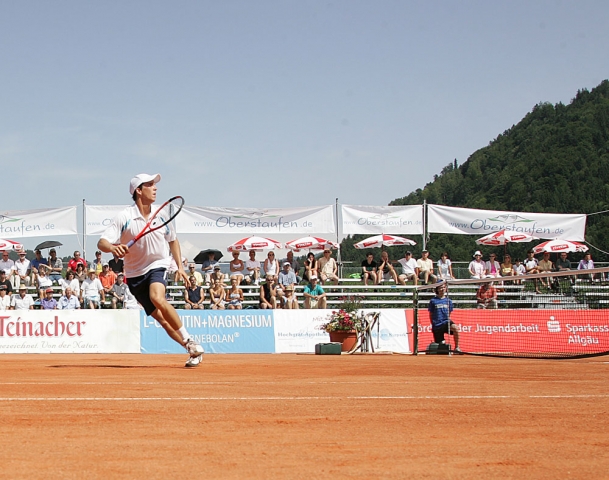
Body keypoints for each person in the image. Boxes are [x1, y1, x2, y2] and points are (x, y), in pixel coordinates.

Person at [98, 173, 204, 368]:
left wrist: (179, 267)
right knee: (162, 321)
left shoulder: (162, 214)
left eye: (155, 184)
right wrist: (113, 248)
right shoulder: (125, 217)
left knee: (157, 297)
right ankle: (190, 348)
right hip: (134, 274)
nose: (155, 188)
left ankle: (189, 339)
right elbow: (102, 242)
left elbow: (173, 240)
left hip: (158, 264)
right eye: (149, 185)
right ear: (139, 190)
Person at [428, 283, 461, 353]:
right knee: (441, 346)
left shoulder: (448, 301)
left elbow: (449, 313)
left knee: (455, 328)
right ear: (437, 290)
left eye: (443, 287)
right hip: (437, 325)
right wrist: (433, 324)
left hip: (446, 322)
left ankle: (457, 347)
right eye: (440, 288)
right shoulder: (433, 301)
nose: (442, 289)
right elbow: (431, 314)